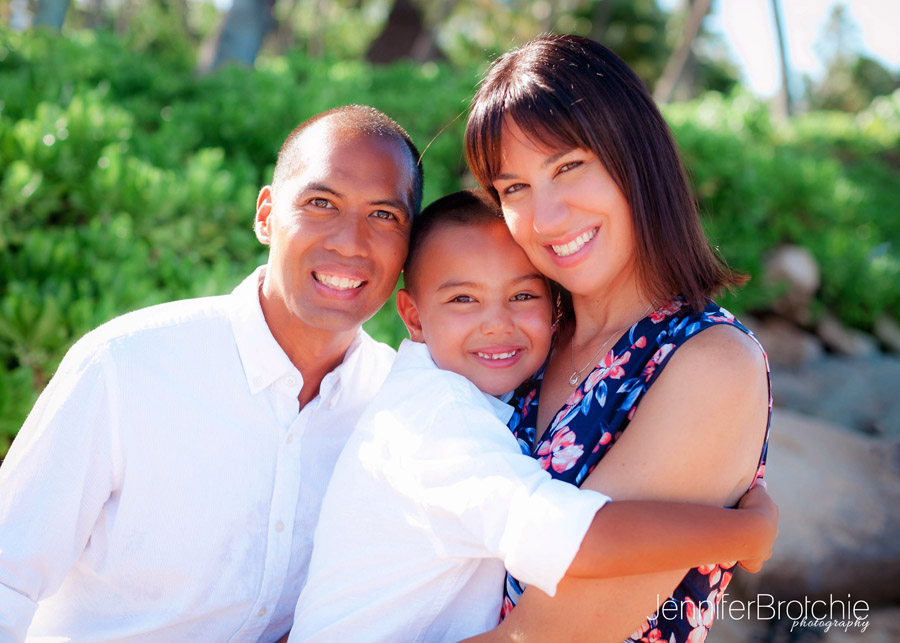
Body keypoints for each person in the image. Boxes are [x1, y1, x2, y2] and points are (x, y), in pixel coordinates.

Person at [0, 105, 423, 641]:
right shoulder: (125, 367)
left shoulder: (397, 404)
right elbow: (6, 578)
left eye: (384, 215)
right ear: (267, 216)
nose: (350, 242)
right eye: (321, 203)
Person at [288, 190, 777, 642]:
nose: (497, 323)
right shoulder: (437, 423)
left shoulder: (455, 391)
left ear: (553, 304)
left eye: (522, 296)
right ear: (413, 317)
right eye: (463, 299)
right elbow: (580, 544)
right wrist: (744, 535)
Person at [464, 35, 772, 642]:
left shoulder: (708, 364)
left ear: (635, 157)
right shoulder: (520, 341)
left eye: (569, 166)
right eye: (514, 189)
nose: (546, 217)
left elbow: (550, 636)